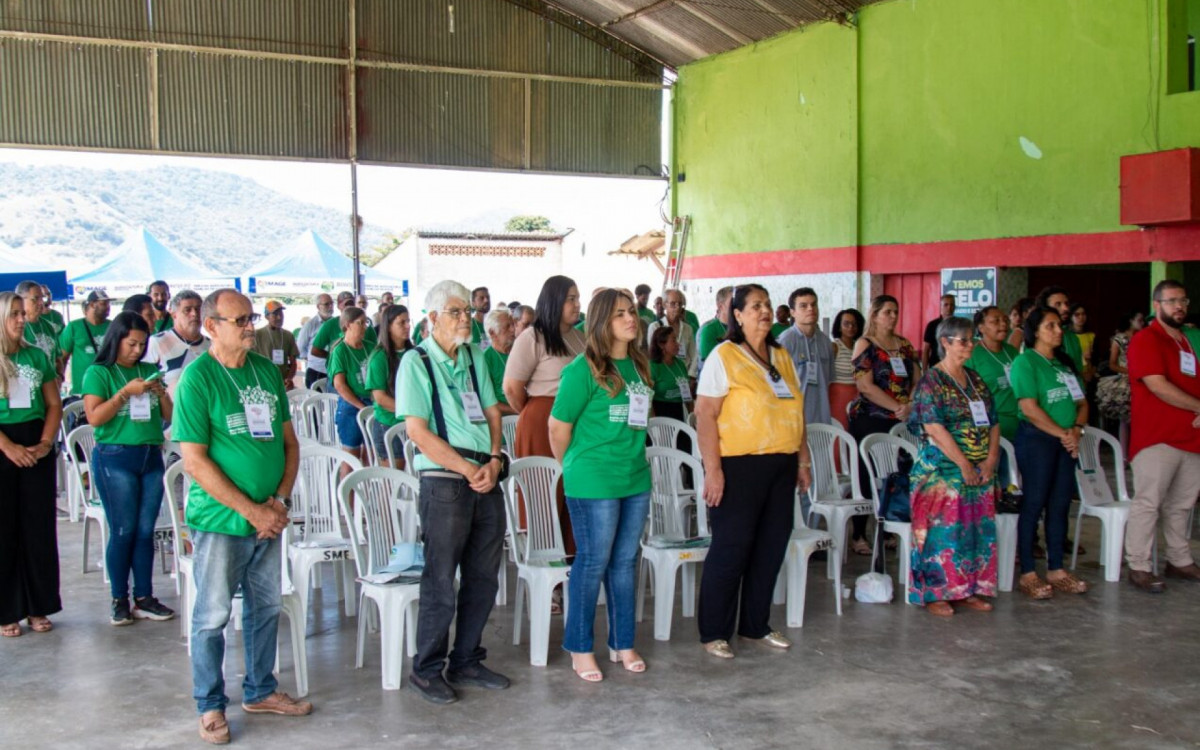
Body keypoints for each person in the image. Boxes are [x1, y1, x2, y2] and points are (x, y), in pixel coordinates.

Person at [174, 289, 308, 743]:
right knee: (212, 616)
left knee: (265, 607)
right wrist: (251, 510)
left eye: (251, 318)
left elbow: (290, 444)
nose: (251, 327)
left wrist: (279, 503)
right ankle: (211, 705)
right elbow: (194, 461)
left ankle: (260, 689)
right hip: (221, 521)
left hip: (269, 516)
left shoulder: (266, 372)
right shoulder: (197, 379)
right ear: (211, 326)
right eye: (241, 321)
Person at [396, 279, 508, 705]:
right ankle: (426, 669)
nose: (466, 319)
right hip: (445, 478)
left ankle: (467, 658)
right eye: (457, 312)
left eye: (468, 312)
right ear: (433, 318)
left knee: (483, 575)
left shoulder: (476, 356)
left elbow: (494, 411)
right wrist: (466, 468)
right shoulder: (416, 362)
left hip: (486, 474)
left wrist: (495, 459)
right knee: (441, 578)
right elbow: (418, 432)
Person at [695, 284, 810, 658]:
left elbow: (797, 412)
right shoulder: (723, 356)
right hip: (738, 466)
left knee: (771, 546)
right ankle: (715, 631)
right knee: (732, 547)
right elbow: (706, 415)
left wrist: (803, 460)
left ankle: (754, 626)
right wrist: (713, 470)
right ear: (737, 315)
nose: (764, 311)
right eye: (755, 306)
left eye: (767, 305)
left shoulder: (782, 355)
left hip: (781, 464)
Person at [549, 288, 653, 681]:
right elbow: (557, 428)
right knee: (592, 563)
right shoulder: (582, 369)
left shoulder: (640, 366)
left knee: (626, 563)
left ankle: (622, 642)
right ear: (601, 322)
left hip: (635, 476)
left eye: (633, 312)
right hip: (593, 481)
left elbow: (638, 420)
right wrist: (574, 468)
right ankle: (579, 648)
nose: (631, 320)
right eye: (620, 314)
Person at [81, 311, 175, 626]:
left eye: (142, 344)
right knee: (123, 529)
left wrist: (160, 392)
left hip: (150, 455)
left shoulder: (149, 371)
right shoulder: (99, 373)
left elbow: (169, 416)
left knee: (146, 531)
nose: (136, 350)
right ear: (116, 339)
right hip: (115, 456)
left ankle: (145, 596)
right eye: (131, 343)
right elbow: (94, 418)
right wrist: (124, 394)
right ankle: (119, 598)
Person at [908, 317, 999, 615]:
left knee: (975, 530)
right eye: (963, 341)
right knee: (943, 533)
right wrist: (963, 464)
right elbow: (933, 427)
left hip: (978, 467)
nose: (970, 345)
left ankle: (969, 587)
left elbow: (993, 422)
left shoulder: (975, 379)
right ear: (945, 342)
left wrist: (990, 459)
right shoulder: (931, 381)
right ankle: (936, 593)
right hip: (942, 470)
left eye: (972, 340)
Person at [1123, 282, 1200, 593]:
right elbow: (1157, 385)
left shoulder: (1186, 341)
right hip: (1157, 438)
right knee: (1148, 503)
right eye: (1171, 301)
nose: (1178, 306)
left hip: (1191, 437)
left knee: (1182, 505)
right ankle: (1139, 565)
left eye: (1183, 300)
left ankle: (1179, 560)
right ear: (1157, 305)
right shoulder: (1146, 340)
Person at [503, 275, 586, 560]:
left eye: (578, 298)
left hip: (574, 424)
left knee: (572, 492)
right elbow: (512, 389)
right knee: (544, 497)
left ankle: (570, 567)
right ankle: (547, 574)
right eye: (571, 299)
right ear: (554, 301)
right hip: (541, 422)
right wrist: (537, 412)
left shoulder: (578, 336)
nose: (577, 304)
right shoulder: (532, 337)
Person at [1010, 305, 1089, 600]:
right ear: (1035, 331)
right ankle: (1028, 573)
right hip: (1037, 440)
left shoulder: (1064, 365)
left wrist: (1076, 430)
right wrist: (1063, 434)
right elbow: (1029, 408)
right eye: (1050, 326)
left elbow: (1082, 403)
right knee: (1034, 503)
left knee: (1059, 504)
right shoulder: (1026, 362)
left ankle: (1056, 569)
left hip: (1066, 440)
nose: (1058, 331)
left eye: (1059, 326)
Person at [0, 291, 63, 638]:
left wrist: (44, 443)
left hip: (36, 441)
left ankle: (39, 606)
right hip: (3, 444)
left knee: (38, 529)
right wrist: (8, 447)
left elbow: (53, 404)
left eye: (23, 313)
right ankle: (7, 610)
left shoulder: (37, 355)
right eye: (14, 314)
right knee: (4, 530)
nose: (22, 319)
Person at [847, 295, 919, 555]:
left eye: (895, 311)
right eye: (887, 311)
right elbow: (865, 385)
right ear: (875, 315)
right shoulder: (865, 344)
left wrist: (909, 404)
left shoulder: (904, 345)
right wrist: (896, 407)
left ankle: (890, 527)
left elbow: (917, 379)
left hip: (901, 418)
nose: (892, 316)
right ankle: (858, 533)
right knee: (868, 475)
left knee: (898, 472)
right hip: (872, 416)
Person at [326, 307, 373, 471]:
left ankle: (368, 494)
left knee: (371, 454)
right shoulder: (340, 350)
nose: (364, 327)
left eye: (365, 322)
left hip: (371, 402)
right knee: (351, 456)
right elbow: (340, 385)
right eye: (360, 323)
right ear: (347, 325)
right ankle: (346, 496)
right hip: (351, 405)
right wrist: (361, 407)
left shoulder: (370, 347)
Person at [778, 287, 833, 428]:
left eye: (814, 304)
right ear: (792, 312)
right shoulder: (785, 342)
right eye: (803, 306)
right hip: (793, 420)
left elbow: (830, 380)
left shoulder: (825, 342)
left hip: (822, 418)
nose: (810, 309)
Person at [965, 306, 1021, 442]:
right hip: (993, 427)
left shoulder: (1012, 352)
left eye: (1005, 320)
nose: (1003, 324)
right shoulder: (972, 355)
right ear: (981, 327)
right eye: (995, 321)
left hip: (1021, 424)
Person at [367, 304, 413, 468]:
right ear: (389, 326)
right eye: (401, 323)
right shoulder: (379, 357)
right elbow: (380, 398)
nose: (408, 326)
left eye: (408, 321)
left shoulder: (414, 354)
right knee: (393, 480)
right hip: (389, 424)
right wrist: (410, 411)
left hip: (413, 424)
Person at [144, 290, 209, 398]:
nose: (195, 314)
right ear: (174, 314)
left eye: (198, 309)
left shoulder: (212, 346)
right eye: (187, 310)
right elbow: (145, 381)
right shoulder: (157, 342)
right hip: (171, 412)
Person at [1097, 310, 1145, 453]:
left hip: (1141, 378)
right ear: (1131, 321)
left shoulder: (1143, 336)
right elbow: (1112, 364)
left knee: (1140, 419)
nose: (1142, 323)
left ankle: (1137, 451)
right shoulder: (1119, 338)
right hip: (1125, 380)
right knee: (1124, 420)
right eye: (1140, 320)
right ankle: (1124, 455)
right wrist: (1129, 371)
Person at [59, 290, 112, 396]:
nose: (108, 307)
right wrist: (60, 380)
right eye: (103, 303)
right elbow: (62, 358)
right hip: (82, 389)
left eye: (108, 303)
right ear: (92, 304)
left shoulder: (113, 326)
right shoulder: (74, 327)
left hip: (108, 388)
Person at [311, 291, 376, 368]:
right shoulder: (330, 324)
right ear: (338, 306)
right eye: (346, 304)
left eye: (351, 304)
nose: (349, 307)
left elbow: (375, 351)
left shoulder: (367, 326)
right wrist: (334, 356)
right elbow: (315, 350)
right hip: (338, 369)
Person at [646, 289, 698, 378]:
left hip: (684, 374)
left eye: (680, 304)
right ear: (665, 305)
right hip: (663, 375)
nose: (677, 307)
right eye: (673, 304)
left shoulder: (688, 328)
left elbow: (694, 354)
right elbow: (653, 354)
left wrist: (691, 376)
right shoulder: (655, 327)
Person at [1035, 286, 1085, 375]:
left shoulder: (1072, 337)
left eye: (1067, 304)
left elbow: (1078, 372)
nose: (1065, 308)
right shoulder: (1036, 337)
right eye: (1058, 304)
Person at [829, 308, 864, 431]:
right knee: (840, 429)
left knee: (855, 430)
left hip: (858, 395)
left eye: (854, 324)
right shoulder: (834, 347)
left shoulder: (861, 347)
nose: (850, 327)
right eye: (846, 323)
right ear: (839, 326)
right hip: (838, 395)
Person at [253, 300, 300, 390]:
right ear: (267, 317)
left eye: (281, 314)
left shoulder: (288, 335)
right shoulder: (257, 335)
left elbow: (293, 363)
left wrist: (289, 379)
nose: (279, 317)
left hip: (283, 384)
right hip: (263, 382)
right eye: (275, 314)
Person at [649, 326, 692, 423]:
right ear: (661, 344)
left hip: (679, 412)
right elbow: (648, 399)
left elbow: (687, 395)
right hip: (660, 414)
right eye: (673, 340)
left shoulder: (680, 364)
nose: (678, 344)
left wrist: (692, 416)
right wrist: (654, 423)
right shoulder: (653, 367)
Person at [482, 308, 517, 416]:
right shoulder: (485, 359)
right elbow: (487, 402)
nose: (513, 329)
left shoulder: (520, 350)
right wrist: (519, 411)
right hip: (506, 421)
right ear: (492, 332)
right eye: (507, 326)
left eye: (513, 325)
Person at [16, 280, 59, 366]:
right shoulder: (14, 328)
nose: (41, 303)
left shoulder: (48, 327)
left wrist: (60, 374)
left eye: (42, 298)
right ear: (21, 300)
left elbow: (58, 358)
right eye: (35, 299)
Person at [298, 293, 334, 388]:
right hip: (316, 370)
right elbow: (300, 348)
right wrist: (313, 359)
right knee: (317, 402)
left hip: (333, 370)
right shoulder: (310, 325)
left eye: (332, 303)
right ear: (318, 306)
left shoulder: (336, 323)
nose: (330, 306)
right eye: (326, 304)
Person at [696, 286, 732, 370]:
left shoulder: (742, 327)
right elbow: (710, 364)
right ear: (721, 306)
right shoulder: (708, 330)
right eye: (732, 303)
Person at [922, 294, 956, 371]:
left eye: (952, 305)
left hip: (954, 367)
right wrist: (924, 371)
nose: (949, 308)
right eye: (946, 305)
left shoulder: (959, 325)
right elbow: (926, 350)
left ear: (954, 307)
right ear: (941, 306)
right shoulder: (932, 325)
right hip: (936, 366)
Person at [1069, 303, 1095, 384]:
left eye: (1083, 314)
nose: (1081, 317)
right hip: (1071, 376)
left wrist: (1091, 373)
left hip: (1088, 375)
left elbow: (1095, 360)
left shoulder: (1092, 335)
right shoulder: (1066, 336)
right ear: (1071, 317)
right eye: (1077, 315)